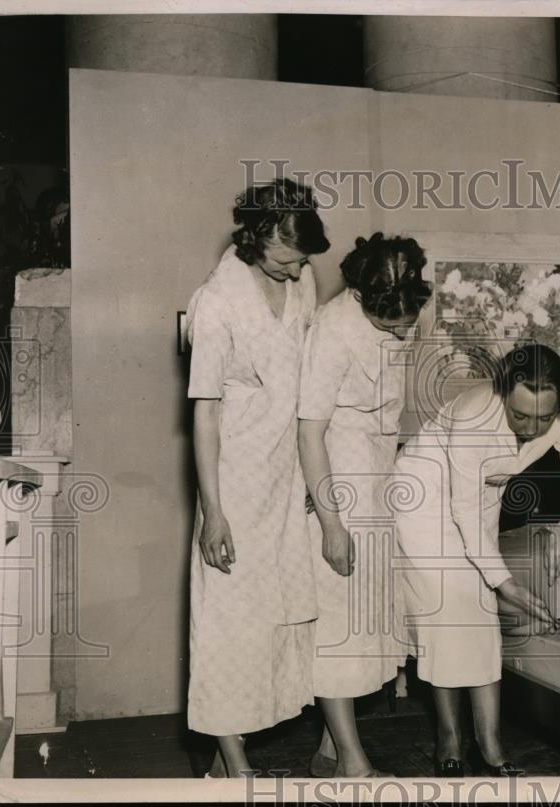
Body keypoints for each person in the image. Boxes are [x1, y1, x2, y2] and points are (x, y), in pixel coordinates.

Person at [393, 343, 560, 776]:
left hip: (479, 499)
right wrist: (506, 583)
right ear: (503, 393)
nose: (531, 428)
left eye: (543, 418)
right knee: (447, 612)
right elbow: (462, 513)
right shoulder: (474, 414)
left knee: (480, 618)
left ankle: (490, 744)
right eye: (520, 415)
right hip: (421, 499)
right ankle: (450, 740)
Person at [186, 178, 331, 778]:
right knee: (228, 624)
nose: (298, 273)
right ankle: (235, 766)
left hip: (286, 474)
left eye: (303, 261)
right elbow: (205, 410)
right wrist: (213, 512)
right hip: (234, 481)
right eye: (287, 258)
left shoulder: (303, 282)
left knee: (283, 617)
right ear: (259, 235)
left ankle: (225, 764)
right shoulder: (217, 300)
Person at [298, 233, 431, 778]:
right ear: (361, 296)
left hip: (377, 477)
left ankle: (328, 753)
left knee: (368, 621)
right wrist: (331, 524)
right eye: (390, 324)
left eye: (407, 321)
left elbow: (394, 407)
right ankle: (353, 763)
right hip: (337, 479)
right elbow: (310, 433)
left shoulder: (405, 311)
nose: (403, 331)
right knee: (338, 623)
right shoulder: (331, 329)